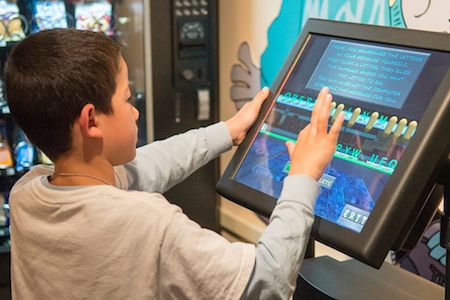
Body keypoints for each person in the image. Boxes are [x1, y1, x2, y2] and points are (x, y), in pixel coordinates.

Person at [5, 29, 344, 300]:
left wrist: (227, 131)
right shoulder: (148, 222)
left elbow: (141, 169)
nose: (136, 110)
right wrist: (303, 175)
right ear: (91, 121)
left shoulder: (27, 194)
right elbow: (266, 282)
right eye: (127, 98)